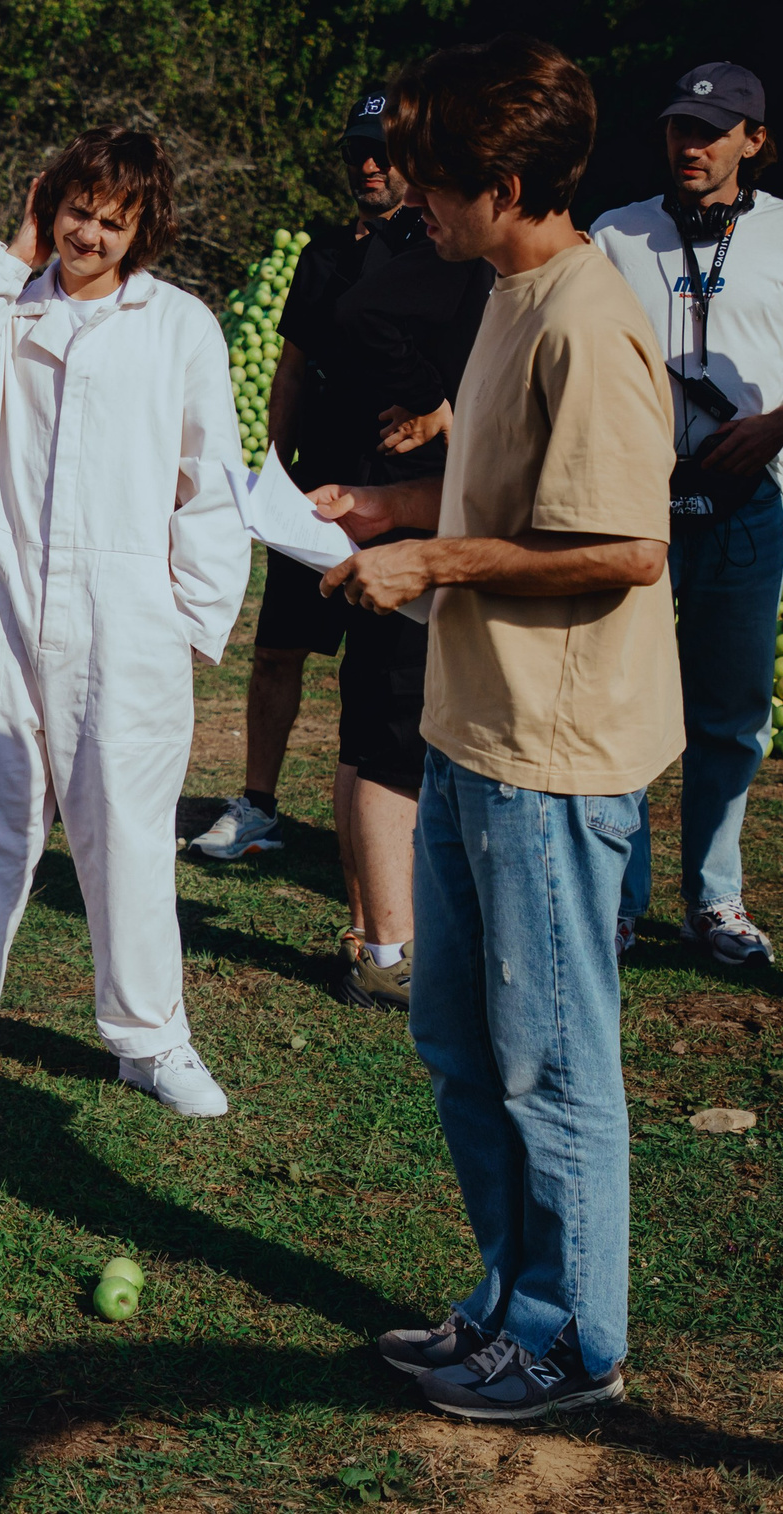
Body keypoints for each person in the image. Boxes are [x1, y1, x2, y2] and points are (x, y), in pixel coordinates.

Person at [315, 36, 677, 1421]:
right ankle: (506, 1303)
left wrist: (438, 565)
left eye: (435, 182)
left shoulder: (587, 316)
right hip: (474, 729)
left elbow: (627, 548)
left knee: (552, 1059)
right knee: (463, 1046)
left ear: (507, 183)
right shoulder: (506, 294)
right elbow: (504, 503)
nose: (413, 201)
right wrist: (384, 510)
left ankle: (576, 1344)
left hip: (553, 752)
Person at [0, 128, 252, 1117]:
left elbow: (207, 476)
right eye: (75, 211)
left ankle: (149, 1037)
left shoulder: (177, 324)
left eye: (110, 219)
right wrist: (14, 240)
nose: (88, 234)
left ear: (141, 229)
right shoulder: (8, 305)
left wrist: (189, 619)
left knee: (125, 823)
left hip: (123, 606)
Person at [591, 62, 783, 967]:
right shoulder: (617, 233)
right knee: (624, 698)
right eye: (678, 129)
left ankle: (714, 897)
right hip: (636, 499)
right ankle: (619, 900)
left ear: (754, 139)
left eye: (712, 131)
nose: (690, 146)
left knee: (732, 708)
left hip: (748, 498)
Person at [192, 98, 399, 879]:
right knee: (277, 651)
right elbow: (289, 368)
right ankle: (258, 804)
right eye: (357, 152)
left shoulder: (437, 256)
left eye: (381, 151)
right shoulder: (321, 256)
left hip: (394, 495)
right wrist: (275, 469)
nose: (368, 165)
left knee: (373, 670)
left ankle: (371, 819)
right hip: (312, 492)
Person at [313, 127, 495, 1012]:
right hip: (410, 515)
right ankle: (386, 947)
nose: (408, 192)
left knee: (384, 727)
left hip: (433, 512)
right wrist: (435, 403)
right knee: (388, 731)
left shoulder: (495, 263)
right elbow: (349, 326)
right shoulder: (425, 251)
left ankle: (381, 932)